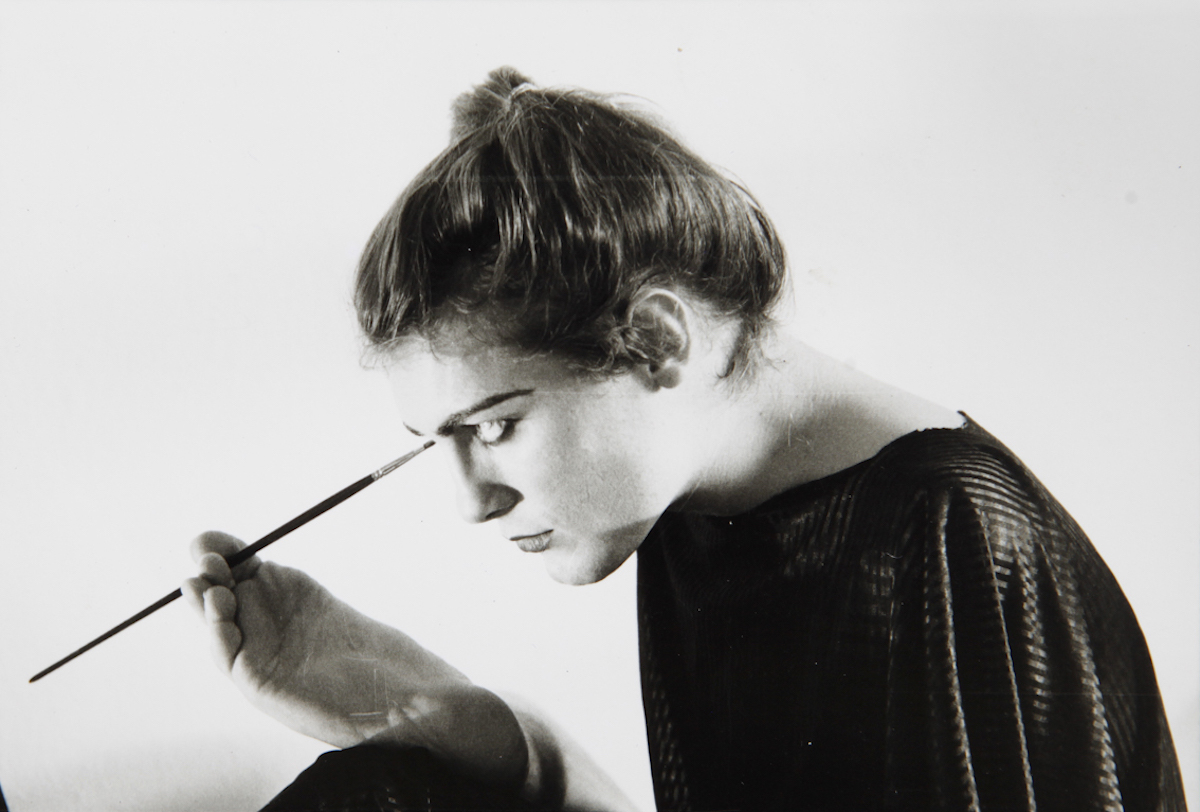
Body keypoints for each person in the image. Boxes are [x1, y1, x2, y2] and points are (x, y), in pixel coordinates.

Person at [183, 68, 1185, 811]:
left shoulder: (937, 532)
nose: (472, 501)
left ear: (658, 342)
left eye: (495, 426)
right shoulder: (695, 503)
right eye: (432, 442)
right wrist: (447, 714)